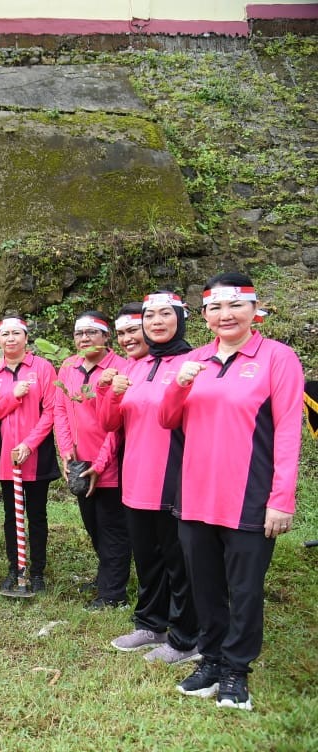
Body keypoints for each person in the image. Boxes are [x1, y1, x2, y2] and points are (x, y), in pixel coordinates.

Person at [159, 273, 303, 711]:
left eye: (235, 306)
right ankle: (211, 659)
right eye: (215, 308)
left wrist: (281, 499)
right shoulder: (195, 361)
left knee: (244, 591)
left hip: (249, 499)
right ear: (204, 316)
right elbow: (167, 420)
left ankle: (236, 672)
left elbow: (287, 433)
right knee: (206, 587)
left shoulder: (277, 358)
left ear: (254, 310)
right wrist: (179, 382)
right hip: (196, 496)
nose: (226, 316)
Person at [97, 291, 200, 665]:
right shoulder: (135, 367)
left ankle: (186, 637)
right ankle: (150, 623)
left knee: (181, 561)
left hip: (175, 477)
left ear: (181, 318)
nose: (156, 321)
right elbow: (110, 422)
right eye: (149, 315)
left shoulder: (196, 361)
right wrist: (110, 392)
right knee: (148, 558)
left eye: (164, 314)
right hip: (135, 477)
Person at [53, 312, 131, 609]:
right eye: (79, 333)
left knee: (113, 527)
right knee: (92, 523)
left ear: (106, 336)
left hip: (109, 461)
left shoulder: (121, 368)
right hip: (79, 461)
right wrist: (65, 449)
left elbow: (120, 423)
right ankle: (108, 575)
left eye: (91, 332)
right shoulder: (69, 366)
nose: (84, 338)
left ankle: (113, 595)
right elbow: (60, 410)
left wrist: (101, 463)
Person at [0, 317, 58, 593]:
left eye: (16, 333)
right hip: (7, 454)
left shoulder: (42, 368)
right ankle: (15, 568)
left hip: (36, 453)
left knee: (37, 515)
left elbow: (51, 411)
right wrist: (13, 396)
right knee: (11, 515)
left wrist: (30, 444)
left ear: (26, 338)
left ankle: (38, 570)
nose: (11, 339)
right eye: (4, 334)